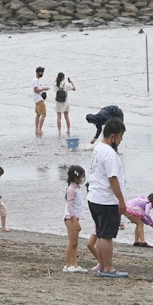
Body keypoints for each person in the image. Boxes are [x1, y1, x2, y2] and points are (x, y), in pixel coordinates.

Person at [88, 117, 129, 278]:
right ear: (113, 136)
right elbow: (113, 179)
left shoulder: (98, 148)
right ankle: (107, 268)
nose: (121, 140)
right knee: (106, 235)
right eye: (120, 137)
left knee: (100, 232)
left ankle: (103, 266)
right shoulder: (109, 154)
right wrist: (121, 200)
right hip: (105, 199)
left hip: (94, 197)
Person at [62, 165, 88, 273]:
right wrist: (75, 220)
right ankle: (68, 265)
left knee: (75, 243)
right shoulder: (71, 189)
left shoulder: (77, 188)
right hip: (71, 218)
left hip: (75, 217)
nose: (83, 179)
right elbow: (70, 205)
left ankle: (75, 264)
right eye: (82, 177)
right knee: (72, 242)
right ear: (76, 177)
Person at [31, 66, 48, 135]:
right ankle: (39, 129)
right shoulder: (35, 80)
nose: (42, 73)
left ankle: (36, 129)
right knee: (44, 114)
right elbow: (35, 90)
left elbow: (39, 88)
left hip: (37, 99)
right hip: (39, 99)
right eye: (41, 72)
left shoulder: (37, 80)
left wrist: (44, 88)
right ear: (38, 72)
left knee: (38, 114)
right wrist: (43, 89)